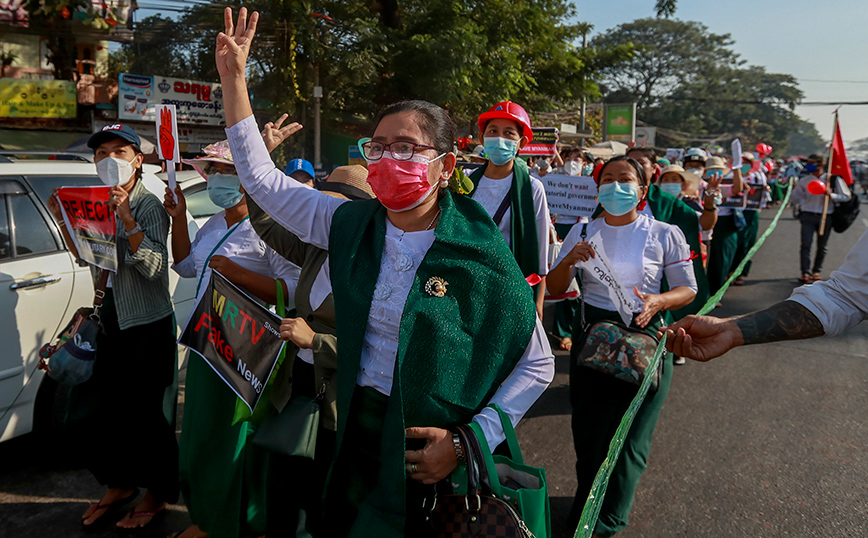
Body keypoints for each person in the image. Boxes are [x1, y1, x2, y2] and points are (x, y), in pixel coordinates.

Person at [215, 8, 555, 537]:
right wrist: (234, 81)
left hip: (429, 447)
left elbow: (537, 366)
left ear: (446, 165)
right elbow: (261, 181)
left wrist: (467, 442)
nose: (386, 159)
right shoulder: (350, 224)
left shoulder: (481, 253)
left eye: (406, 148)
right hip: (355, 425)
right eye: (378, 147)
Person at [547, 155, 697, 536]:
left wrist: (660, 301)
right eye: (608, 179)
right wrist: (570, 260)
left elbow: (687, 288)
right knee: (590, 433)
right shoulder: (583, 231)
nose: (616, 186)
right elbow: (556, 285)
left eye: (625, 179)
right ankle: (586, 508)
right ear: (598, 188)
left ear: (642, 190)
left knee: (630, 439)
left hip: (644, 341)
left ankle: (610, 518)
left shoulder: (665, 233)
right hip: (593, 343)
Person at [163, 140, 301, 538]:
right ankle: (206, 516)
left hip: (248, 349)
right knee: (203, 438)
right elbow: (187, 267)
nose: (218, 178)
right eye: (214, 171)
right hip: (208, 345)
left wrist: (239, 276)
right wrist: (178, 219)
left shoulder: (270, 228)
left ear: (248, 178)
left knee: (234, 443)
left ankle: (228, 524)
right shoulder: (214, 222)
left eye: (228, 170)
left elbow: (293, 289)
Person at [47, 124, 179, 529]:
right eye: (102, 152)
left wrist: (127, 219)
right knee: (99, 414)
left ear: (138, 160)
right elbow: (91, 258)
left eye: (120, 152)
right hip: (109, 323)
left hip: (148, 326)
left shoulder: (149, 206)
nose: (110, 159)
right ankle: (120, 483)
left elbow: (157, 269)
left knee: (148, 418)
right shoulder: (94, 203)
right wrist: (67, 223)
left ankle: (157, 493)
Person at [248, 162, 375, 537]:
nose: (322, 213)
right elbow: (267, 225)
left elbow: (376, 349)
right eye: (321, 201)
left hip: (337, 403)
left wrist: (315, 341)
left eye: (333, 205)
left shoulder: (374, 268)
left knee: (325, 499)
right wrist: (255, 166)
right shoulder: (316, 249)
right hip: (296, 389)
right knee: (282, 490)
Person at [470, 100, 552, 317]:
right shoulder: (466, 183)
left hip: (509, 291)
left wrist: (538, 304)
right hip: (467, 287)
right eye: (493, 131)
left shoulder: (532, 188)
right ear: (482, 138)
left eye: (509, 133)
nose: (500, 138)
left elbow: (540, 252)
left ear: (521, 143)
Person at [624, 147, 709, 318]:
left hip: (656, 279)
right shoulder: (613, 197)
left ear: (654, 169)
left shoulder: (667, 202)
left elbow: (702, 223)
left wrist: (711, 205)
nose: (634, 168)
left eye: (640, 163)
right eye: (629, 163)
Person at [791, 153, 851, 283]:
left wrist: (831, 194)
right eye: (808, 163)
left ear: (820, 164)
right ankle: (805, 272)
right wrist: (797, 191)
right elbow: (794, 198)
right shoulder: (805, 180)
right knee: (806, 244)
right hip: (807, 215)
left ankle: (816, 270)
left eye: (812, 163)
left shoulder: (832, 180)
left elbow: (846, 196)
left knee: (822, 246)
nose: (809, 166)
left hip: (826, 216)